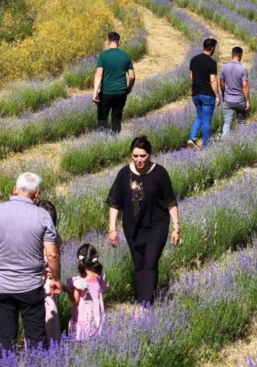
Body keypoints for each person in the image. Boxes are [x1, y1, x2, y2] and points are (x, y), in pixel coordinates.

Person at [0, 172, 61, 353]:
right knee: (36, 338)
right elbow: (52, 254)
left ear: (14, 189)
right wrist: (56, 278)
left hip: (0, 286)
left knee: (6, 338)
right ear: (37, 194)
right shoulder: (42, 216)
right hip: (29, 287)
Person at [107, 135, 181, 305]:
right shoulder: (124, 174)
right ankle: (144, 300)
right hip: (133, 226)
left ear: (150, 154)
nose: (139, 160)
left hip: (157, 224)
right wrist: (112, 228)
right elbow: (114, 203)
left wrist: (176, 228)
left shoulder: (160, 173)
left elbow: (170, 201)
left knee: (150, 263)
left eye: (143, 156)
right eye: (135, 156)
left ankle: (146, 307)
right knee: (139, 266)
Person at [92, 31, 135, 134]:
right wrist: (128, 89)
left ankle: (103, 141)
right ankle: (115, 140)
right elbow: (132, 76)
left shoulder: (103, 56)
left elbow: (99, 75)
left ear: (108, 42)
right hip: (121, 93)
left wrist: (95, 93)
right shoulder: (125, 56)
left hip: (106, 93)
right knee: (116, 118)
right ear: (119, 42)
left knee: (102, 118)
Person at [66, 244, 108, 341]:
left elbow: (75, 301)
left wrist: (68, 291)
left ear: (78, 261)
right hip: (97, 312)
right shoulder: (99, 277)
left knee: (83, 338)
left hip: (83, 314)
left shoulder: (79, 281)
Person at [37, 200, 61, 344]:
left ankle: (52, 349)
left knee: (49, 315)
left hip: (47, 282)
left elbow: (55, 256)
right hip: (40, 280)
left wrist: (54, 275)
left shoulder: (54, 236)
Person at [187, 38, 220, 148]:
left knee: (199, 117)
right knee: (206, 120)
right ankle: (206, 144)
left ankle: (192, 137)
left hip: (196, 93)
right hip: (207, 94)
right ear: (212, 48)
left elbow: (191, 76)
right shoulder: (211, 63)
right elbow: (213, 80)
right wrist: (217, 95)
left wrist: (197, 86)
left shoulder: (194, 60)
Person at [219, 46, 250, 137]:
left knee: (227, 122)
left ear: (231, 55)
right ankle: (242, 141)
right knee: (241, 122)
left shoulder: (224, 68)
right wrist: (247, 101)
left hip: (228, 100)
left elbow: (221, 84)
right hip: (240, 100)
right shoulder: (243, 69)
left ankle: (225, 144)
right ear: (240, 56)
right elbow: (245, 86)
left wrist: (223, 94)